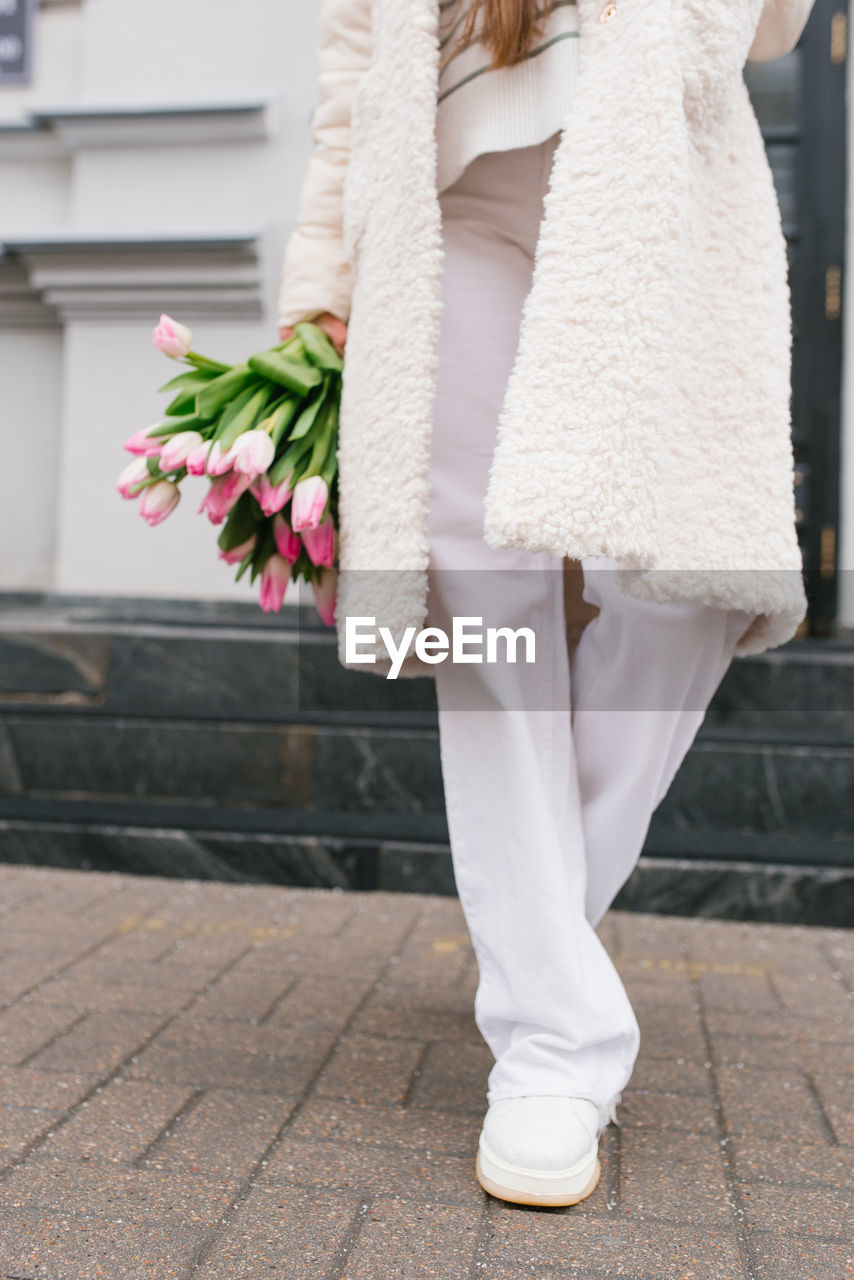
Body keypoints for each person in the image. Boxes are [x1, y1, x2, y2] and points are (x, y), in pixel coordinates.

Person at [277, 0, 815, 1208]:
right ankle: (553, 1044)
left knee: (681, 586)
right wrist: (317, 288)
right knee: (480, 594)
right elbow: (351, 74)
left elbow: (770, 33)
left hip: (653, 196)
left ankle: (532, 919)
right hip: (447, 216)